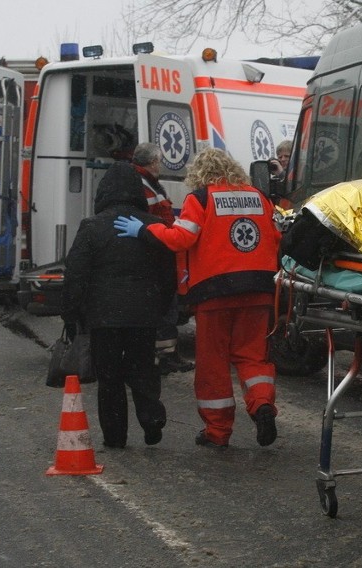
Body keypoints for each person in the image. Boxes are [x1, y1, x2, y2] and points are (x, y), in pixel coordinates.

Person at [114, 148, 280, 448]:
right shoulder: (260, 197)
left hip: (215, 293)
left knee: (213, 364)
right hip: (259, 288)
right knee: (253, 356)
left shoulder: (201, 198)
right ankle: (262, 406)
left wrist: (145, 231)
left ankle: (217, 432)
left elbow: (182, 238)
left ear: (200, 173)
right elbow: (278, 237)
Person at [62, 161, 176, 448]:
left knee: (109, 377)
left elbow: (75, 274)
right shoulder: (154, 226)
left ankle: (115, 436)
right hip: (144, 313)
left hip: (104, 317)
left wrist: (72, 315)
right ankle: (151, 418)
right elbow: (167, 273)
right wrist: (163, 308)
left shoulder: (91, 227)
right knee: (142, 368)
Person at [131, 142, 195, 376]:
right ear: (153, 162)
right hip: (156, 250)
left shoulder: (147, 182)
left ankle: (165, 355)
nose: (160, 165)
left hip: (159, 248)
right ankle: (165, 357)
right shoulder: (143, 184)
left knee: (165, 308)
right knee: (165, 307)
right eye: (158, 161)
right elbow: (152, 218)